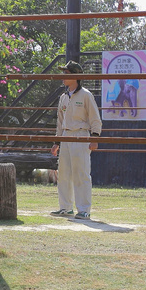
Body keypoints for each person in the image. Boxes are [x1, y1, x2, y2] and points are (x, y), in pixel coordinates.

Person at [50, 60, 102, 220]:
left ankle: (84, 209)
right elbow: (60, 121)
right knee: (64, 173)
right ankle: (65, 207)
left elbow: (95, 118)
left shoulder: (86, 95)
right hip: (65, 136)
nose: (63, 77)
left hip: (81, 135)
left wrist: (95, 138)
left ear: (76, 76)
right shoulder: (63, 98)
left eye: (66, 74)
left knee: (81, 173)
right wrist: (56, 142)